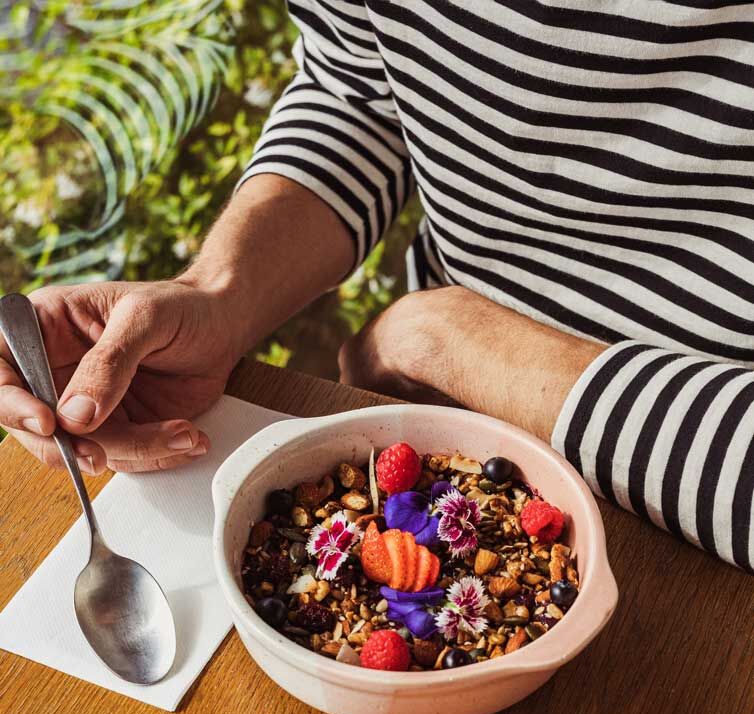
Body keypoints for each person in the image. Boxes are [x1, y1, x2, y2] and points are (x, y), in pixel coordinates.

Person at [2, 1, 753, 573]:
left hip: (707, 522)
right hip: (446, 435)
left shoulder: (444, 344)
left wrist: (455, 343)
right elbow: (360, 86)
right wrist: (222, 294)